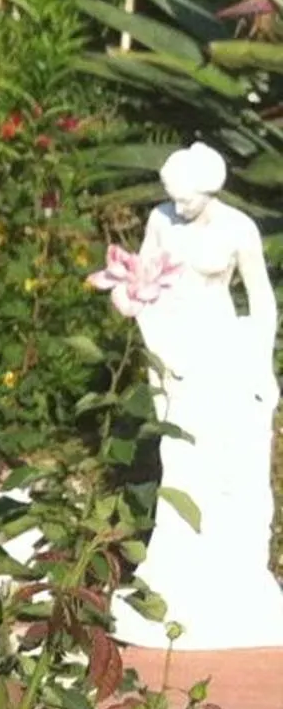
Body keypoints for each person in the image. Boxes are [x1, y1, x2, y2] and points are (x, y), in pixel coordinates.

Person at [118, 142, 283, 648]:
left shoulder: (238, 228)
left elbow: (261, 299)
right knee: (182, 457)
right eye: (172, 197)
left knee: (231, 464)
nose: (178, 207)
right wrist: (155, 346)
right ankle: (177, 573)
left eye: (186, 200)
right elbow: (143, 285)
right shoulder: (162, 221)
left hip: (222, 348)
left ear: (209, 192)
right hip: (177, 346)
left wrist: (262, 366)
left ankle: (232, 577)